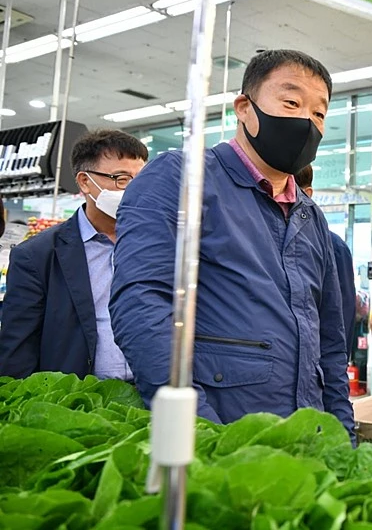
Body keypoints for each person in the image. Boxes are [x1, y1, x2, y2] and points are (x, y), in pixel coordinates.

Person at [110, 49, 354, 439]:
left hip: (304, 440)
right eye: (291, 103)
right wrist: (201, 432)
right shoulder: (183, 180)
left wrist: (342, 438)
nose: (307, 122)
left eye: (319, 113)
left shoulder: (311, 218)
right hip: (218, 435)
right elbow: (141, 303)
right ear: (244, 108)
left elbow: (330, 342)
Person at [0, 130, 148, 379]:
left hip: (152, 389)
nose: (134, 189)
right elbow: (18, 349)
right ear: (85, 182)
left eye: (141, 179)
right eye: (122, 179)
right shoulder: (37, 255)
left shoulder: (158, 244)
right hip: (79, 392)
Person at [295, 165, 357, 363]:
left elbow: (341, 316)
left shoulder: (332, 246)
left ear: (307, 194)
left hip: (314, 366)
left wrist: (334, 370)